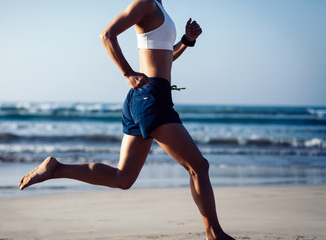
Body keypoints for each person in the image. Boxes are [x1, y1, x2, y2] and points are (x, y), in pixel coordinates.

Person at [18, 1, 235, 239]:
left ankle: (56, 168)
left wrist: (186, 41)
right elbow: (107, 34)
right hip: (151, 98)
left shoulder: (158, 7)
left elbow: (162, 59)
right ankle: (214, 234)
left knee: (123, 177)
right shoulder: (145, 3)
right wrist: (127, 72)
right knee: (199, 166)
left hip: (144, 97)